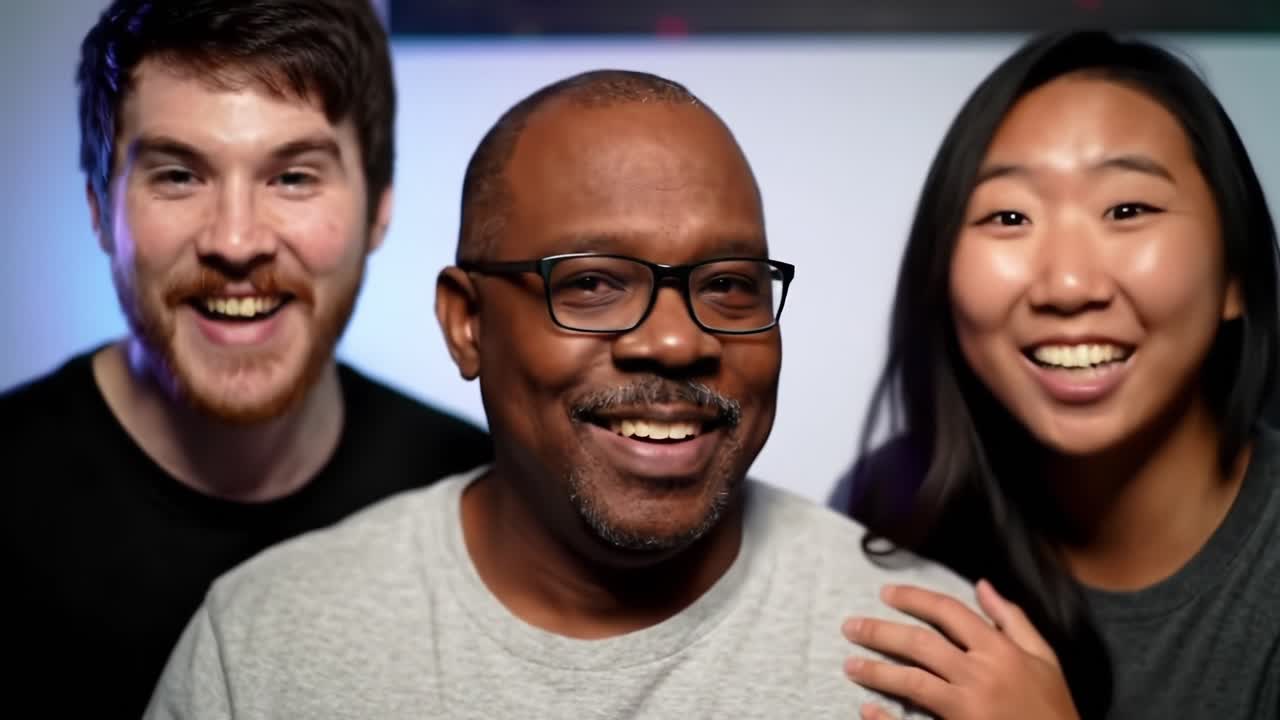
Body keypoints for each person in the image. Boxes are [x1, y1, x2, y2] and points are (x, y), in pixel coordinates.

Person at [145, 69, 975, 719]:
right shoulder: (267, 644)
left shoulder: (935, 655)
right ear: (467, 324)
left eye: (728, 284)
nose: (679, 341)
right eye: (592, 284)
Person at [0, 1, 491, 717]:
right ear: (100, 211)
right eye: (178, 175)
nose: (235, 241)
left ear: (379, 209)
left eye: (293, 177)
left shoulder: (480, 496)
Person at [832, 30, 1280, 719]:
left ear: (1235, 275)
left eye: (1127, 210)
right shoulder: (888, 507)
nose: (1068, 284)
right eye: (1009, 216)